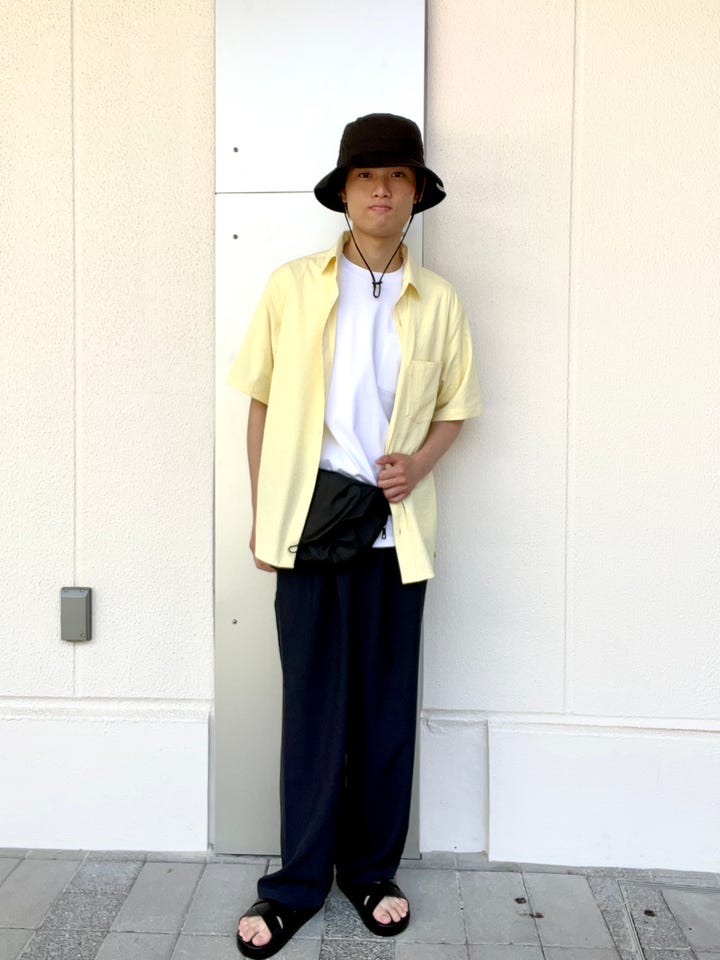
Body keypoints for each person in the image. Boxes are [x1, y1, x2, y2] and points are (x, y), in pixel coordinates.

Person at [228, 113, 482, 959]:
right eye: (367, 175)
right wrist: (265, 517)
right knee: (312, 711)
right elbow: (261, 405)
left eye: (398, 175)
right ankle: (297, 883)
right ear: (343, 192)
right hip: (308, 529)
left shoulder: (439, 301)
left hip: (395, 538)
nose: (382, 189)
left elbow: (456, 409)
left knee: (383, 714)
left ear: (417, 194)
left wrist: (421, 464)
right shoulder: (292, 287)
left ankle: (371, 873)